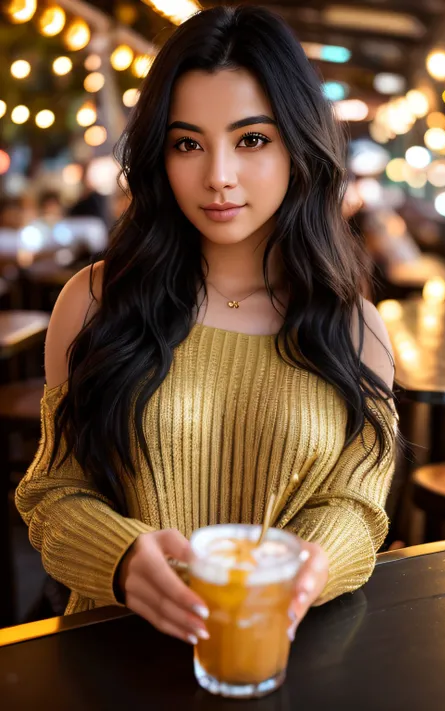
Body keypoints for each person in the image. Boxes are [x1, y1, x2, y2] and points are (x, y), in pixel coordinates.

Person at [16, 5, 397, 647]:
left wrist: (314, 566)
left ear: (298, 145)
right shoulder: (94, 301)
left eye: (252, 139)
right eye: (187, 143)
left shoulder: (353, 327)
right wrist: (122, 557)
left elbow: (356, 506)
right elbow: (53, 492)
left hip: (279, 653)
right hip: (110, 659)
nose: (218, 175)